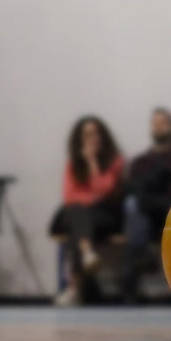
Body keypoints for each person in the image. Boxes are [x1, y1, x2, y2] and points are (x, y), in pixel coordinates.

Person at [119, 107, 171, 301]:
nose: (159, 127)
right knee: (132, 204)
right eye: (155, 123)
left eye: (163, 123)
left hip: (169, 215)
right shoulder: (140, 161)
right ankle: (140, 258)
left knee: (136, 205)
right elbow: (131, 189)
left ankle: (136, 267)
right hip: (143, 218)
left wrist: (148, 195)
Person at [51, 115, 125, 307]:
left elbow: (104, 191)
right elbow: (69, 197)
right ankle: (87, 253)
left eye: (96, 133)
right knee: (77, 215)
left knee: (78, 224)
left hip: (105, 217)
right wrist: (89, 199)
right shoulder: (72, 165)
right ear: (80, 139)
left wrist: (92, 162)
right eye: (88, 134)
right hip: (79, 216)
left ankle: (74, 287)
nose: (93, 139)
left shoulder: (115, 161)